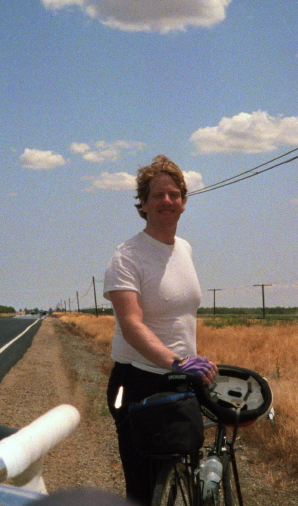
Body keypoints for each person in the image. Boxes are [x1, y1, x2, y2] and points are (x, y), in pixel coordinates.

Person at [103, 154, 218, 506]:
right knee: (143, 489)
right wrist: (175, 361)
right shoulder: (127, 256)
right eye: (157, 195)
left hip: (179, 380)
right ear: (143, 203)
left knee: (185, 471)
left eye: (174, 194)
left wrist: (185, 367)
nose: (166, 201)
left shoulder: (184, 249)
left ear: (184, 201)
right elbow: (132, 323)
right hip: (137, 381)